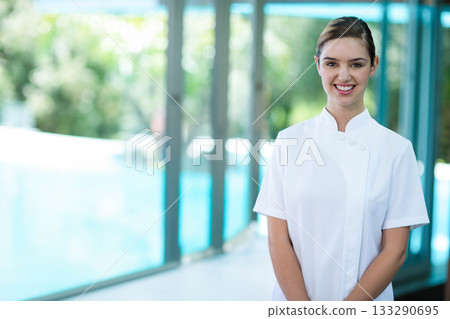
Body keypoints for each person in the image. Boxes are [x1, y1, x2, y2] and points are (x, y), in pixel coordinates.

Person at [253, 16, 430, 301]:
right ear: (318, 65)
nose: (343, 76)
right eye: (332, 63)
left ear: (374, 65)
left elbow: (394, 251)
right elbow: (278, 240)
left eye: (356, 64)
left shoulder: (397, 150)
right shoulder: (289, 141)